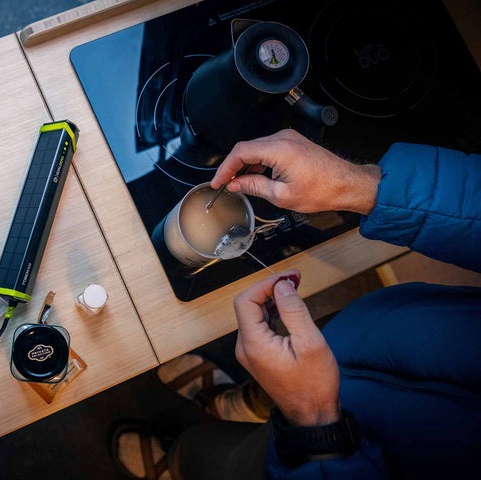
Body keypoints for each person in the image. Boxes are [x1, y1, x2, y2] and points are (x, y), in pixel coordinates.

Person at [111, 129, 481, 479]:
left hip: (330, 459)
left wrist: (316, 422)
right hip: (369, 340)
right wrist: (359, 185)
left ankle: (176, 459)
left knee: (214, 460)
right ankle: (231, 403)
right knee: (280, 375)